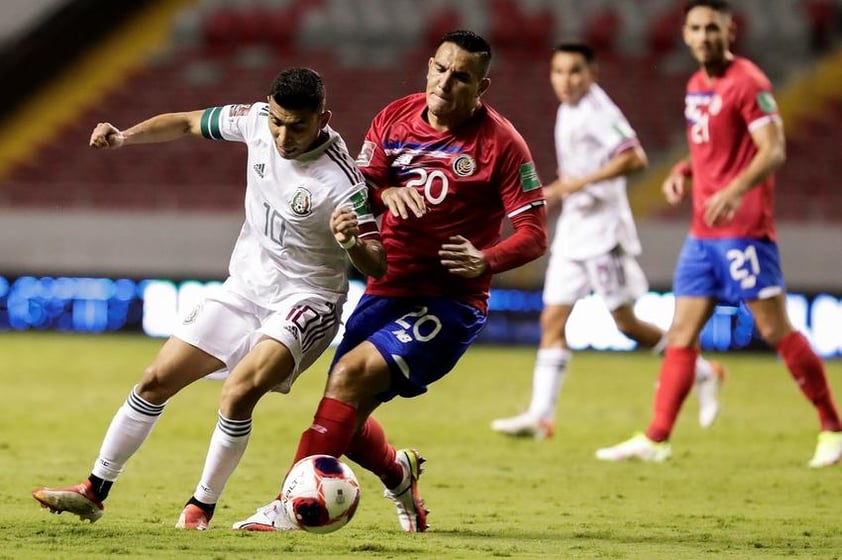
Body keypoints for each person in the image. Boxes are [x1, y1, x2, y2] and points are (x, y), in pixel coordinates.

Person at [31, 67, 387, 529]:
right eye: (278, 121)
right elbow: (184, 122)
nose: (282, 135)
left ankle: (201, 507)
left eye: (297, 125)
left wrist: (353, 243)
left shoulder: (344, 182)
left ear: (324, 118)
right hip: (244, 286)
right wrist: (123, 138)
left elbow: (377, 263)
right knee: (156, 379)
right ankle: (94, 491)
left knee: (236, 393)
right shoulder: (255, 120)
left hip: (307, 298)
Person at [230, 29, 548, 533]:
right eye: (441, 69)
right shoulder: (392, 118)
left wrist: (485, 260)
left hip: (449, 302)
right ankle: (399, 471)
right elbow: (362, 185)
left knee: (349, 378)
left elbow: (534, 234)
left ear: (481, 88)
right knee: (345, 418)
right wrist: (387, 193)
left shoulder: (502, 145)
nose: (446, 83)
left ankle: (285, 508)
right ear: (428, 67)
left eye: (462, 76)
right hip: (385, 287)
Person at [595, 0, 842, 466]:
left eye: (714, 27)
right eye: (696, 28)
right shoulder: (695, 86)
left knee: (774, 327)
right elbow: (711, 147)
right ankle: (657, 436)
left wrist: (734, 189)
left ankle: (833, 426)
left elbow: (773, 150)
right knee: (682, 332)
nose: (705, 36)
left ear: (731, 31)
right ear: (685, 35)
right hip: (702, 234)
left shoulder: (749, 82)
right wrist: (685, 171)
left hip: (744, 230)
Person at [491, 42, 725, 441]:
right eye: (559, 72)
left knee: (626, 324)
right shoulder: (569, 109)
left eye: (575, 72)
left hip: (603, 233)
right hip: (574, 230)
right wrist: (564, 188)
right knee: (552, 319)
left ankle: (703, 371)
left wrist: (577, 183)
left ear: (592, 74)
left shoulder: (600, 111)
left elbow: (635, 158)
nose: (566, 80)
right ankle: (540, 417)